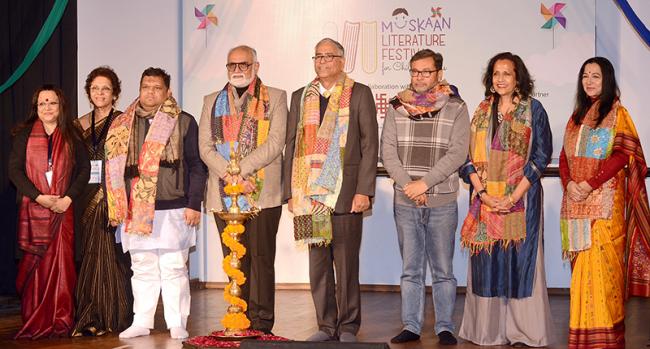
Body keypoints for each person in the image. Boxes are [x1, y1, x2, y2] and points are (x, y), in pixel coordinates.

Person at [283, 38, 378, 343]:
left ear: (341, 60)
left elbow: (368, 145)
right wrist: (290, 193)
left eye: (329, 56)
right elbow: (290, 146)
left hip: (346, 193)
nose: (323, 61)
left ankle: (349, 325)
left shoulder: (359, 93)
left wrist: (364, 190)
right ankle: (326, 325)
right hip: (308, 196)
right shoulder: (301, 96)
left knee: (347, 264)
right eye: (318, 56)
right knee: (319, 265)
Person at [458, 52, 554, 347]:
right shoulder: (481, 111)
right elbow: (467, 158)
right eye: (496, 74)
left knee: (518, 263)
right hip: (485, 205)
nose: (501, 79)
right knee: (487, 264)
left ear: (518, 78)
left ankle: (522, 331)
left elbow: (540, 156)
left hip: (521, 202)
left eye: (507, 74)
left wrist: (513, 195)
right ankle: (487, 330)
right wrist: (484, 194)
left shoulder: (532, 109)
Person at [105, 67, 207, 339]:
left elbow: (197, 166)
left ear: (167, 92)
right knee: (142, 266)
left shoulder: (184, 121)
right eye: (146, 87)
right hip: (136, 210)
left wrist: (194, 203)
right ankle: (142, 321)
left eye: (157, 88)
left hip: (174, 207)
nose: (150, 92)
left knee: (174, 266)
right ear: (139, 90)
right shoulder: (122, 124)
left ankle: (177, 321)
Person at [560, 56, 650, 349]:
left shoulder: (617, 113)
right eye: (585, 75)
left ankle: (606, 341)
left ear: (607, 79)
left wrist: (588, 184)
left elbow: (623, 156)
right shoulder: (576, 117)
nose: (589, 81)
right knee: (581, 276)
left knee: (603, 275)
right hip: (576, 206)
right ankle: (582, 339)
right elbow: (564, 157)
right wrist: (570, 184)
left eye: (595, 76)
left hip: (605, 207)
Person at [380, 49, 469, 345]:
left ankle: (445, 326)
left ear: (439, 74)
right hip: (405, 200)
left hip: (442, 200)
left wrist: (425, 184)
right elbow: (388, 152)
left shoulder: (456, 106)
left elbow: (458, 153)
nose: (419, 78)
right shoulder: (396, 105)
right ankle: (411, 326)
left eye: (426, 72)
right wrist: (410, 186)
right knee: (411, 269)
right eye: (415, 71)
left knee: (443, 270)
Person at [199, 45, 287, 334]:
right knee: (235, 257)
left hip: (262, 192)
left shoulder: (275, 97)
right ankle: (240, 316)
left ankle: (262, 324)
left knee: (261, 258)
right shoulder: (212, 100)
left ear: (256, 67)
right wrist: (230, 176)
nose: (237, 69)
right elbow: (205, 148)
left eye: (244, 64)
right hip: (225, 193)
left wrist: (241, 172)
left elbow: (275, 143)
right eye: (232, 65)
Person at [9, 85, 90, 339]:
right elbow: (14, 171)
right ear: (36, 107)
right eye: (42, 103)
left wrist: (67, 199)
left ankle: (60, 319)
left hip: (63, 211)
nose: (47, 107)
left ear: (60, 106)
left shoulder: (72, 134)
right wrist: (39, 197)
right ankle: (36, 319)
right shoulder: (23, 135)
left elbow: (84, 171)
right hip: (35, 211)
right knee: (36, 267)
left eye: (52, 103)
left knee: (63, 266)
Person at [71, 66, 133, 336]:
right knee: (89, 257)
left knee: (111, 255)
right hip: (85, 196)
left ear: (115, 93)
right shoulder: (79, 124)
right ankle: (89, 315)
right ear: (88, 92)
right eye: (95, 88)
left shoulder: (123, 122)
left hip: (114, 194)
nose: (100, 93)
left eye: (105, 88)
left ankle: (114, 315)